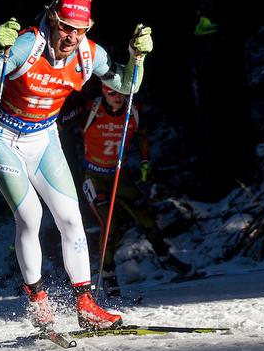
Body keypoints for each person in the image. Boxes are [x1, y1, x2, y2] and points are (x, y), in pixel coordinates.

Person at [0, 0, 153, 330]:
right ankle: (37, 301)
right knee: (30, 217)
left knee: (71, 219)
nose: (71, 36)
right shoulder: (27, 45)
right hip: (2, 136)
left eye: (79, 29)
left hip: (44, 138)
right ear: (53, 19)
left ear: (88, 27)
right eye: (65, 27)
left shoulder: (89, 54)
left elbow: (126, 86)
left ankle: (86, 304)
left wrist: (137, 57)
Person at [63, 83, 194, 297]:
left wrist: (144, 162)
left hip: (120, 175)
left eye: (121, 93)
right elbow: (64, 121)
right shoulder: (91, 109)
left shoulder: (133, 110)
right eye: (111, 92)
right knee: (110, 224)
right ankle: (108, 273)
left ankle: (165, 258)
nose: (117, 97)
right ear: (104, 92)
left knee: (146, 218)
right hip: (94, 177)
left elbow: (142, 134)